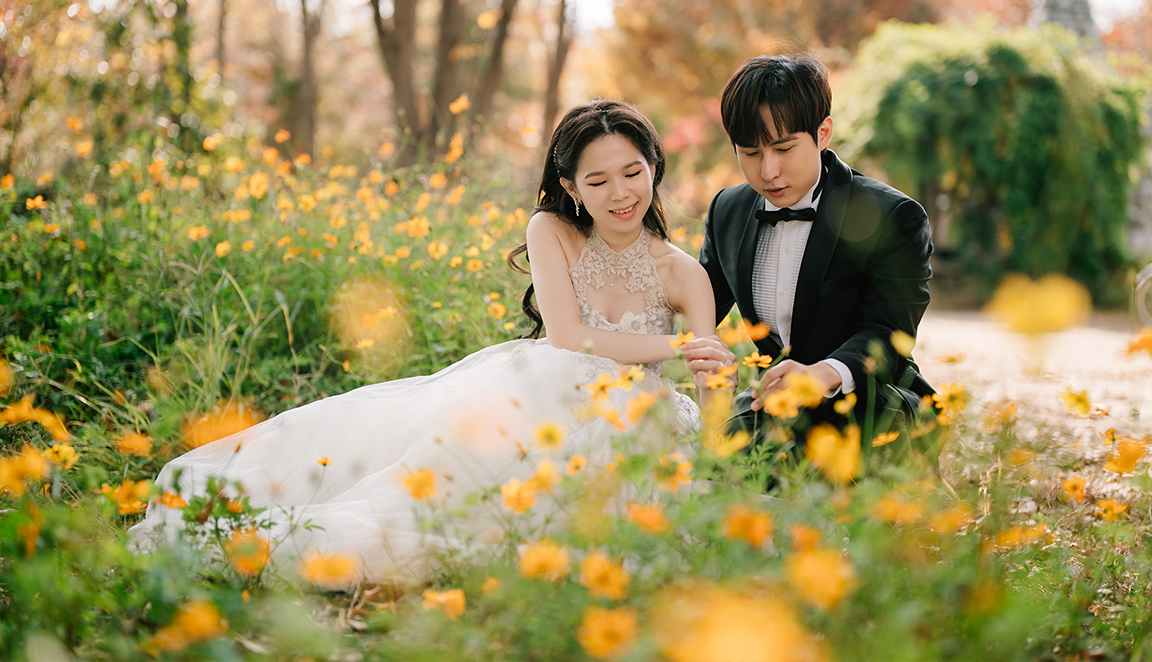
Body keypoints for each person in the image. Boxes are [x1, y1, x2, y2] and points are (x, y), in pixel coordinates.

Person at [130, 100, 723, 583]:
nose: (620, 193)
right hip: (547, 389)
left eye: (632, 173)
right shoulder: (551, 230)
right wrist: (676, 350)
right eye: (598, 180)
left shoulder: (682, 274)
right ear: (569, 186)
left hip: (636, 418)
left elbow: (712, 373)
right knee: (432, 478)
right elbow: (568, 336)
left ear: (654, 167)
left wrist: (717, 417)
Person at [686, 53, 935, 445]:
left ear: (823, 133)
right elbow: (697, 305)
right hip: (772, 409)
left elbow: (888, 330)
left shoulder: (894, 216)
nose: (768, 171)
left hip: (870, 407)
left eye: (783, 149)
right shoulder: (726, 211)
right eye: (750, 153)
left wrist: (823, 373)